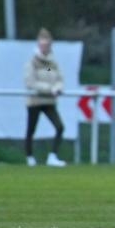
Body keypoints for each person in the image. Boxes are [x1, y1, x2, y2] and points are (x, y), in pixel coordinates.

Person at [24, 28, 67, 167]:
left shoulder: (48, 63)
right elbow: (31, 83)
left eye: (47, 45)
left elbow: (56, 77)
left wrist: (58, 87)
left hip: (49, 101)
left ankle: (52, 156)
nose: (45, 48)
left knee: (59, 127)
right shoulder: (32, 62)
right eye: (42, 45)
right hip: (35, 101)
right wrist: (50, 89)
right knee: (31, 130)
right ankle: (30, 157)